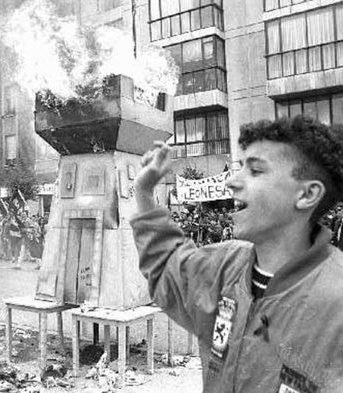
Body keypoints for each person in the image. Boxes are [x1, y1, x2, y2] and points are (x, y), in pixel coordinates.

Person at [131, 116, 343, 392]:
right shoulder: (221, 267)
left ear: (307, 195)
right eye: (239, 167)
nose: (231, 181)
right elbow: (168, 269)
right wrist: (144, 194)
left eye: (255, 171)